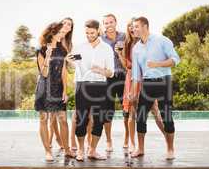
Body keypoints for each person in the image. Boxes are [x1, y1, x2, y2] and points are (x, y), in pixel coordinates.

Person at [130, 16, 180, 160]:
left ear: (145, 26)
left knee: (167, 117)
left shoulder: (162, 40)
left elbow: (175, 60)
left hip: (164, 82)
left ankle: (170, 149)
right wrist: (134, 92)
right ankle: (140, 149)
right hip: (147, 84)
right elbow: (136, 74)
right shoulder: (136, 48)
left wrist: (158, 64)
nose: (134, 29)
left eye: (136, 26)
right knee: (140, 117)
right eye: (133, 27)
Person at [117, 19, 168, 154]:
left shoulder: (148, 42)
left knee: (155, 110)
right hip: (132, 78)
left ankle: (167, 137)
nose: (133, 30)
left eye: (134, 27)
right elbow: (127, 65)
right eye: (130, 28)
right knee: (132, 112)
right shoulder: (128, 44)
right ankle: (133, 144)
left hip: (146, 78)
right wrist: (119, 53)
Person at [66, 19, 115, 161]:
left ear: (98, 30)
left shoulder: (106, 48)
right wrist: (69, 61)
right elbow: (74, 65)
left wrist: (100, 70)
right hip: (82, 85)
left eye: (92, 32)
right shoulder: (80, 47)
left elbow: (111, 73)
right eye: (87, 33)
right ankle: (81, 150)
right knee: (81, 119)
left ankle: (92, 150)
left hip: (100, 86)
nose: (89, 35)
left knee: (99, 120)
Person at [34, 22, 75, 161]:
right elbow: (44, 73)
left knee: (63, 119)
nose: (62, 35)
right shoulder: (41, 49)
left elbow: (63, 72)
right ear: (52, 33)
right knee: (44, 119)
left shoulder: (62, 49)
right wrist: (47, 57)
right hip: (44, 88)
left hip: (58, 88)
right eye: (60, 32)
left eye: (63, 33)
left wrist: (65, 90)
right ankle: (47, 151)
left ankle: (67, 149)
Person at [101, 14, 126, 152]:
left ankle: (127, 139)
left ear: (116, 22)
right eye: (106, 23)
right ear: (103, 25)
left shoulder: (124, 36)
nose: (109, 24)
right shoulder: (100, 39)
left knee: (126, 109)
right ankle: (109, 141)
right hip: (108, 78)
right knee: (107, 110)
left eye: (111, 22)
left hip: (123, 77)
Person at [49, 17, 74, 150]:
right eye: (64, 23)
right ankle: (54, 139)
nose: (66, 26)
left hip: (61, 79)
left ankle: (62, 141)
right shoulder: (52, 40)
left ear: (70, 28)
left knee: (61, 116)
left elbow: (67, 65)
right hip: (49, 80)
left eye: (69, 24)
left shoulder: (68, 44)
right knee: (51, 116)